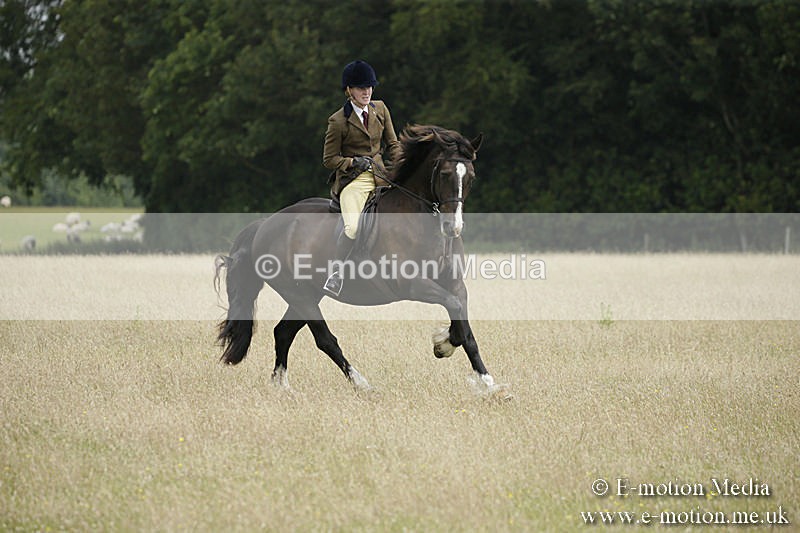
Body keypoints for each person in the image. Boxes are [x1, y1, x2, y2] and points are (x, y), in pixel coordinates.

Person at [322, 60, 398, 295]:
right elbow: (329, 159)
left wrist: (402, 165)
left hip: (381, 175)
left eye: (369, 87)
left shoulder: (380, 109)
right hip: (353, 181)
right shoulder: (338, 121)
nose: (367, 92)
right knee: (353, 228)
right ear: (349, 90)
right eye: (361, 88)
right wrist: (353, 162)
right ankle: (336, 274)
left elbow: (393, 144)